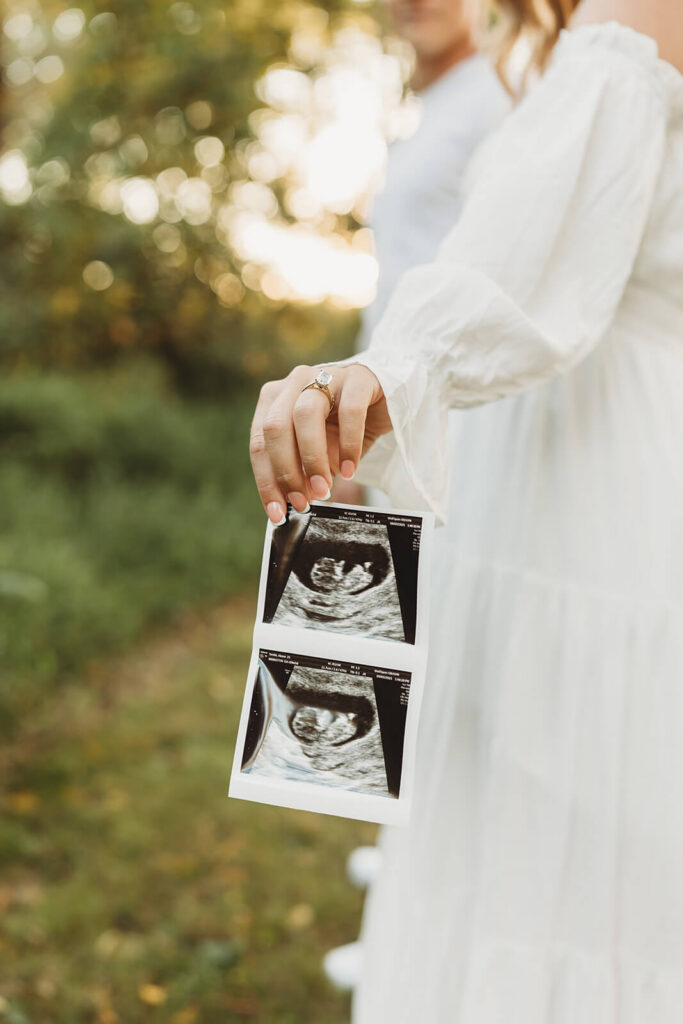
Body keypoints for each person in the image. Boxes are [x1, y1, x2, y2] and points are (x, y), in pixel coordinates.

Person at [249, 0, 683, 1018]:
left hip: (578, 495)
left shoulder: (628, 20)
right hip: (550, 463)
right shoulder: (551, 46)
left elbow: (518, 262)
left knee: (541, 863)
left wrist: (378, 374)